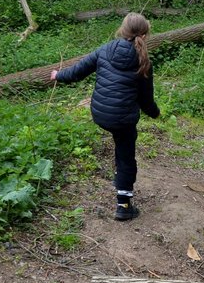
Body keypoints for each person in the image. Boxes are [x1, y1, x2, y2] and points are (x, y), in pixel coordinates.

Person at [50, 12, 160, 221]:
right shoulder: (144, 61)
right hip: (123, 119)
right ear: (144, 35)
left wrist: (58, 75)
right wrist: (155, 113)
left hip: (101, 114)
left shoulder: (105, 49)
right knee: (126, 155)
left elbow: (77, 71)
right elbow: (146, 100)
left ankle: (119, 176)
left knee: (120, 142)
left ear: (122, 30)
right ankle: (124, 206)